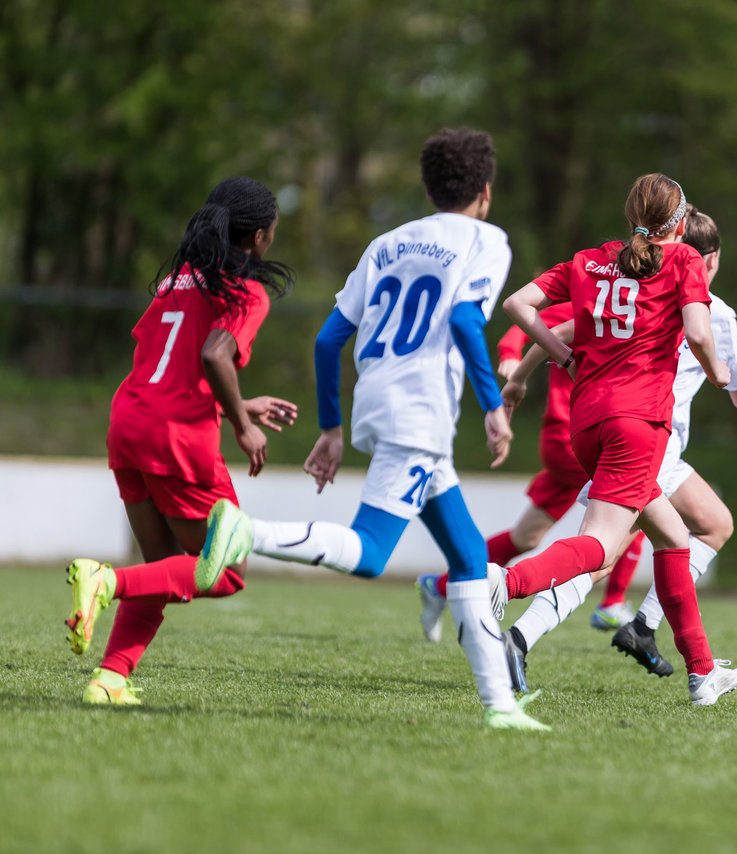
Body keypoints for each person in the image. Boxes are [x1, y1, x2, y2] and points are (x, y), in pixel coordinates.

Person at [195, 128, 545, 731]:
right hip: (420, 411)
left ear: (429, 186)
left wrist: (331, 428)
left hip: (378, 401)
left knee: (467, 558)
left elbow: (330, 338)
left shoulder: (388, 242)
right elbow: (464, 317)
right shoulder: (486, 241)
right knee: (370, 554)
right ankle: (244, 531)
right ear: (485, 191)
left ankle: (502, 708)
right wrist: (492, 403)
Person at [495, 174, 737, 706]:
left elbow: (519, 306)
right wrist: (721, 374)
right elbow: (701, 336)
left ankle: (703, 673)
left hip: (587, 423)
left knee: (676, 540)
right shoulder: (682, 262)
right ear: (680, 225)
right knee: (602, 549)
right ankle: (502, 587)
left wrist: (550, 362)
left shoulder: (590, 260)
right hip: (638, 427)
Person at [62, 177, 297, 705]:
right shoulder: (246, 291)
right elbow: (215, 355)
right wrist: (242, 421)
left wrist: (234, 402)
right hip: (176, 438)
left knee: (162, 564)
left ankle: (110, 679)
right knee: (227, 569)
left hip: (130, 421)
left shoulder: (179, 279)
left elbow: (167, 359)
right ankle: (105, 581)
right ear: (258, 236)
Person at [413, 302, 644, 644]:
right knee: (640, 498)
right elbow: (521, 324)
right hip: (576, 433)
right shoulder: (594, 300)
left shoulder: (644, 302)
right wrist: (510, 354)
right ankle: (611, 602)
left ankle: (440, 586)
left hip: (587, 434)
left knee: (527, 536)